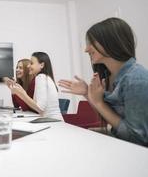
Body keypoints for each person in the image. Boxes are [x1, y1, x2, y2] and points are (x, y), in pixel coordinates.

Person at [58, 17, 148, 146]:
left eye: (92, 42)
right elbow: (109, 117)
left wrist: (99, 103)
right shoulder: (107, 76)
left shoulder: (136, 79)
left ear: (111, 41)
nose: (86, 49)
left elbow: (138, 139)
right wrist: (87, 93)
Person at [8, 52, 63, 120]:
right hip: (51, 120)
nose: (28, 66)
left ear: (42, 65)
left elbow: (40, 108)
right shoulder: (43, 77)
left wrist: (22, 94)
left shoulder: (41, 77)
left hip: (52, 121)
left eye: (31, 63)